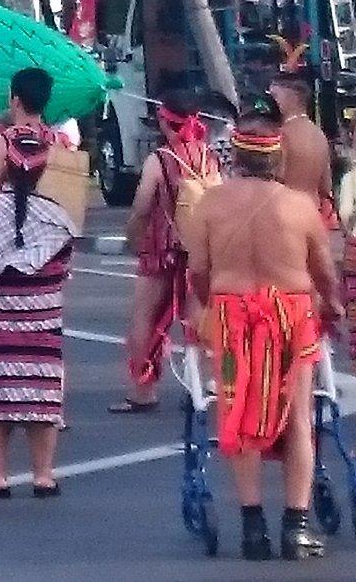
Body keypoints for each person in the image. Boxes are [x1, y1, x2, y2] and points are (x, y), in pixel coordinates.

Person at [180, 103, 343, 560]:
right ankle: (297, 526)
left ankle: (254, 528)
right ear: (277, 160)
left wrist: (208, 302)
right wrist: (331, 305)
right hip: (290, 317)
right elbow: (324, 274)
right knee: (298, 422)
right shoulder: (299, 206)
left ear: (235, 157)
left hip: (232, 319)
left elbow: (198, 273)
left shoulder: (210, 204)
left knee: (239, 418)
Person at [0, 111, 75, 498]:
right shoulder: (58, 215)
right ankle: (43, 474)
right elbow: (62, 269)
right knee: (41, 396)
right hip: (42, 320)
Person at [117, 89, 220, 413]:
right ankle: (202, 387)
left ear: (166, 122)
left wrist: (132, 237)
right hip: (201, 249)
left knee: (145, 318)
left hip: (163, 249)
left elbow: (142, 206)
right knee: (198, 319)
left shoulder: (159, 159)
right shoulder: (209, 156)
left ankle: (142, 391)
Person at [270, 73, 335, 228]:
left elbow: (278, 176)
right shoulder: (319, 135)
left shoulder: (282, 135)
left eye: (274, 96)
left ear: (291, 98)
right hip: (313, 215)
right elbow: (326, 186)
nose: (271, 102)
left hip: (285, 215)